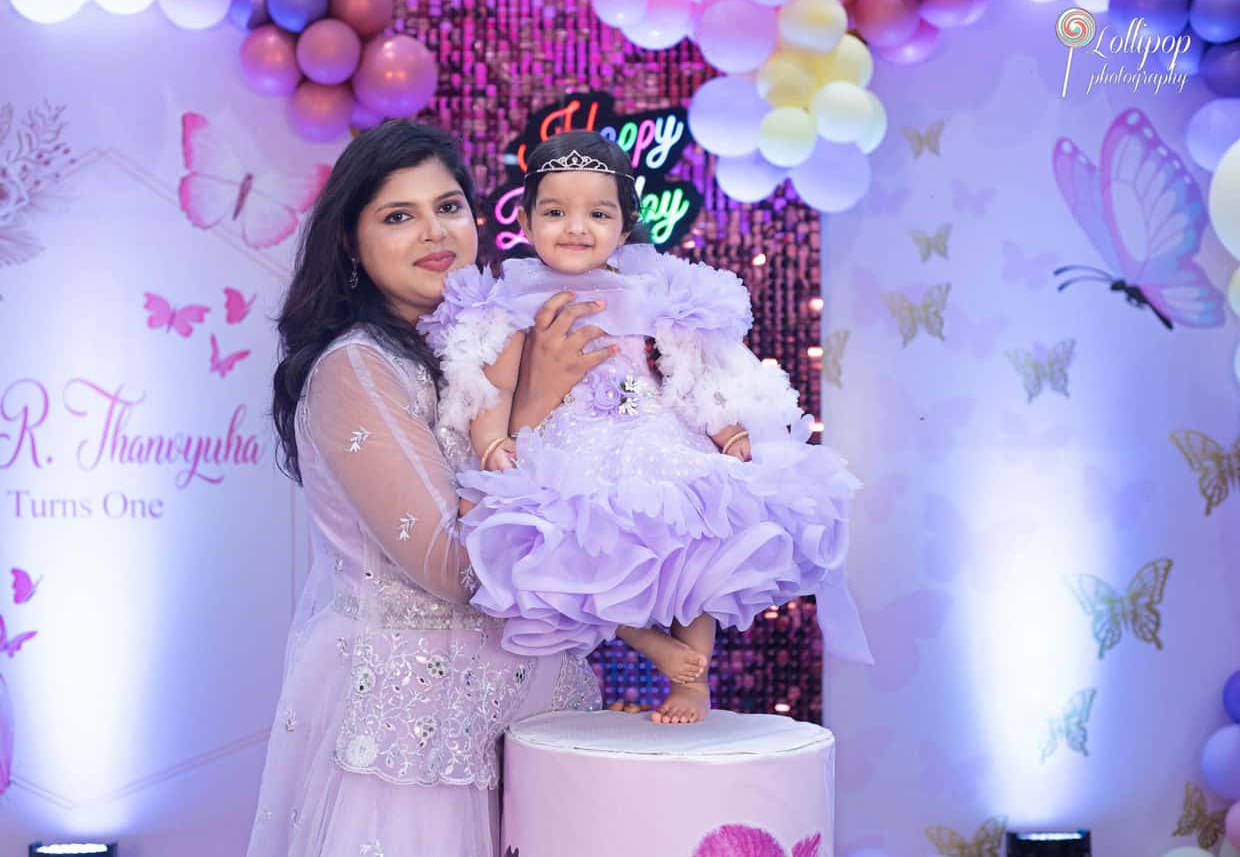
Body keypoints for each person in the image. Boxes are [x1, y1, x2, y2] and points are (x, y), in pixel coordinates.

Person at [419, 130, 872, 727]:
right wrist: (493, 440)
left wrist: (728, 432)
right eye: (555, 212)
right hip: (568, 441)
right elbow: (493, 385)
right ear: (525, 220)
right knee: (573, 548)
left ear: (626, 223)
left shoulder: (648, 291)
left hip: (651, 430)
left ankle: (695, 678)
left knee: (699, 536)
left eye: (597, 213)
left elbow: (692, 370)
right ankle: (647, 640)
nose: (575, 227)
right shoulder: (515, 298)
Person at [248, 120, 607, 857]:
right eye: (397, 216)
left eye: (447, 206)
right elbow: (454, 568)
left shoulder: (491, 341)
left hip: (534, 717)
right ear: (351, 241)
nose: (433, 233)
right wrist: (531, 406)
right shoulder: (359, 370)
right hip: (417, 741)